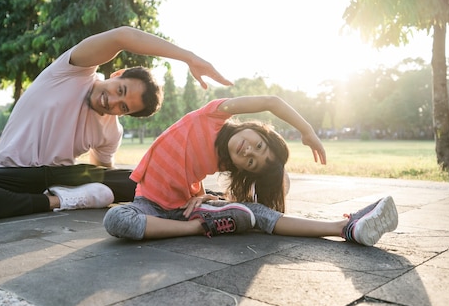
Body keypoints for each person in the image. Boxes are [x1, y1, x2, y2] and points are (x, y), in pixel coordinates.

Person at [0, 26, 232, 222]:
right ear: (116, 74)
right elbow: (122, 36)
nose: (112, 103)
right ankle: (57, 203)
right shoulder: (71, 71)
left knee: (137, 180)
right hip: (10, 174)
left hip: (62, 175)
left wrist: (187, 188)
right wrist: (188, 57)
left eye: (123, 107)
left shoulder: (112, 130)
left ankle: (203, 199)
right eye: (120, 90)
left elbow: (102, 175)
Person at [103, 96, 399, 246]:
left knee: (255, 211)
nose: (249, 152)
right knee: (117, 219)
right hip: (153, 208)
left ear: (242, 169)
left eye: (253, 161)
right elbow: (271, 102)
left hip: (186, 208)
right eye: (257, 145)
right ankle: (203, 226)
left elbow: (187, 173)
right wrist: (306, 130)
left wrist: (204, 198)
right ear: (252, 128)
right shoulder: (214, 115)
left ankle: (344, 228)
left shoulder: (226, 161)